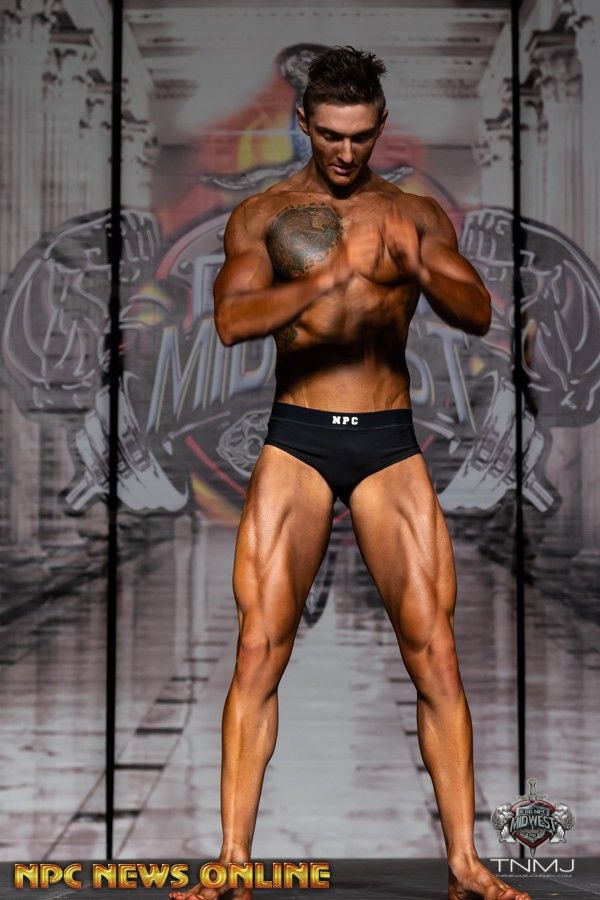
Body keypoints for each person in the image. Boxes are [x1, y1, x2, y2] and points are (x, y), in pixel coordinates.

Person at [170, 47, 530, 900]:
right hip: (298, 436)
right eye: (330, 135)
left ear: (379, 127)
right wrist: (323, 280)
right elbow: (231, 320)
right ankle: (232, 864)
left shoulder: (413, 213)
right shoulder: (264, 214)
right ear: (303, 122)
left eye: (360, 136)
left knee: (435, 653)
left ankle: (465, 864)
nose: (344, 151)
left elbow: (479, 311)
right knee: (259, 648)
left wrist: (424, 267)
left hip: (387, 442)